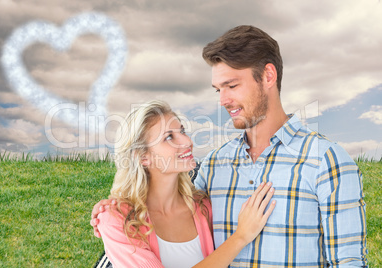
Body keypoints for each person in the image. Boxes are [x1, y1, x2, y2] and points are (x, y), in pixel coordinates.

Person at [92, 25, 368, 267]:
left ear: (268, 76)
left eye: (232, 86)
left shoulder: (326, 161)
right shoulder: (213, 167)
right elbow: (166, 209)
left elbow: (349, 262)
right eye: (218, 90)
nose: (222, 100)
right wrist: (114, 212)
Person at [95, 100, 276, 267]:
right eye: (169, 137)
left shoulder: (202, 208)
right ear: (143, 157)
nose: (187, 141)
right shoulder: (117, 220)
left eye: (182, 131)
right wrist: (241, 237)